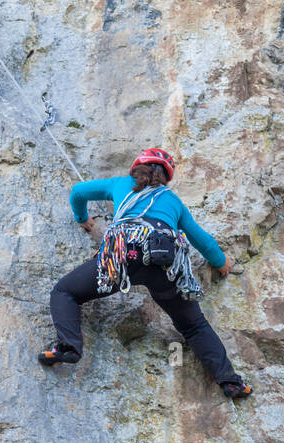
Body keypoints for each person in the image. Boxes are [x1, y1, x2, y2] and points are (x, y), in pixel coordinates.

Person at [38, 147, 252, 400]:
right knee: (194, 326)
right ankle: (230, 382)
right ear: (166, 176)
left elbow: (78, 192)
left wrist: (82, 218)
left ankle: (69, 347)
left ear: (136, 167)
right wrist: (221, 261)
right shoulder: (172, 200)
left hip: (122, 258)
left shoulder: (120, 184)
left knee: (65, 292)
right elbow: (201, 240)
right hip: (163, 264)